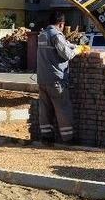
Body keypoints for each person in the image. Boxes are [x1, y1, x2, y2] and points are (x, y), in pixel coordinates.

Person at [36, 11, 89, 144]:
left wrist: (76, 45)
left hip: (42, 79)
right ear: (61, 23)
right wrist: (79, 50)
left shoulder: (43, 34)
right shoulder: (56, 35)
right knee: (62, 108)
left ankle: (46, 137)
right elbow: (67, 54)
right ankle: (68, 138)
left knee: (45, 109)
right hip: (56, 79)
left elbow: (63, 45)